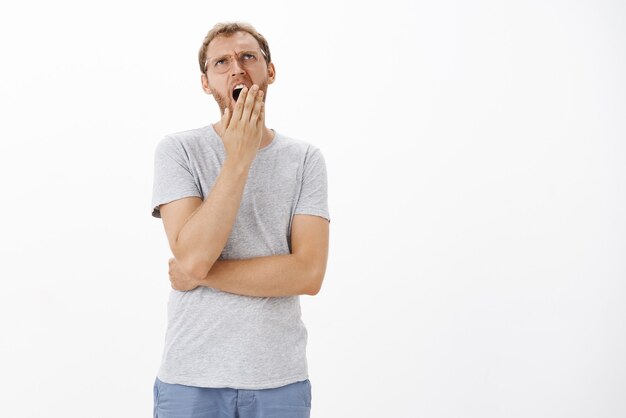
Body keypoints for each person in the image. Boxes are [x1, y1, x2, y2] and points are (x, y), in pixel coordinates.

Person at [150, 22, 330, 418]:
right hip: (190, 379)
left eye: (249, 56)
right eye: (222, 62)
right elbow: (194, 255)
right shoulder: (178, 151)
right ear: (205, 82)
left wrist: (200, 275)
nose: (237, 68)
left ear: (271, 71)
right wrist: (239, 158)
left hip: (279, 382)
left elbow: (308, 274)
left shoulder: (305, 160)